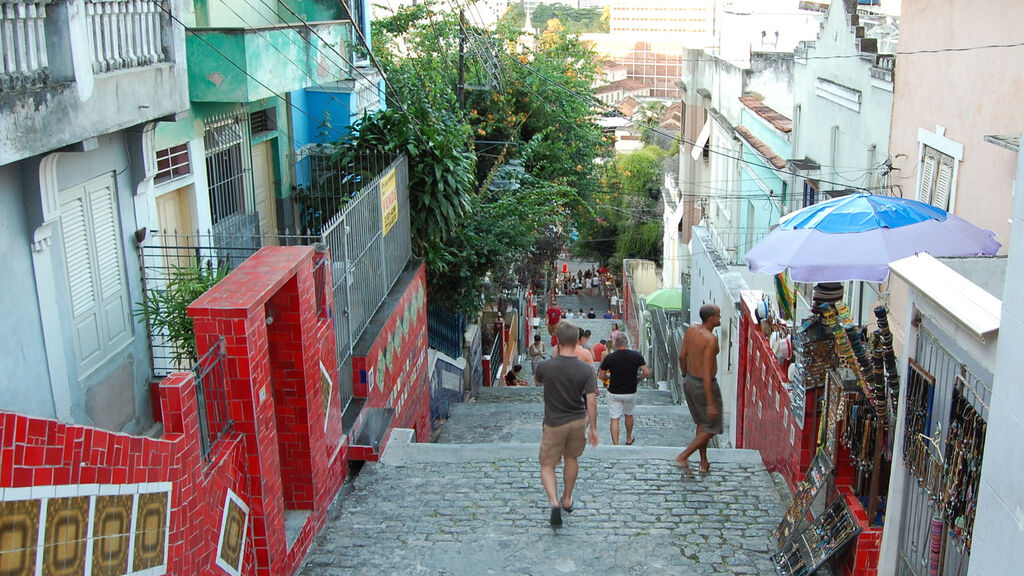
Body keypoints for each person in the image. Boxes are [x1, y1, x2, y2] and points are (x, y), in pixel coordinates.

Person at [534, 321, 599, 526]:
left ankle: (553, 502)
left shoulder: (546, 366)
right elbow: (592, 400)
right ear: (577, 341)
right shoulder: (586, 370)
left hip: (554, 422)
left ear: (558, 341)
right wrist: (594, 428)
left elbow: (537, 382)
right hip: (578, 421)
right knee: (572, 458)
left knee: (547, 464)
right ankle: (567, 498)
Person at [676, 304, 724, 474]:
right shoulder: (711, 339)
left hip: (689, 380)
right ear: (711, 318)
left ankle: (704, 462)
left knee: (702, 424)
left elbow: (682, 356)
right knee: (712, 427)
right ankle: (684, 455)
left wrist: (684, 375)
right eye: (718, 315)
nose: (720, 317)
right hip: (704, 385)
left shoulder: (691, 330)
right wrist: (711, 402)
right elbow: (706, 372)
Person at [598, 333, 650, 446]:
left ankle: (615, 445)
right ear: (626, 343)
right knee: (629, 414)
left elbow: (601, 375)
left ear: (615, 343)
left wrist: (609, 377)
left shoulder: (610, 357)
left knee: (614, 418)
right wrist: (638, 380)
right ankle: (628, 438)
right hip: (630, 391)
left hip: (614, 392)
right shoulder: (636, 356)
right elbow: (646, 372)